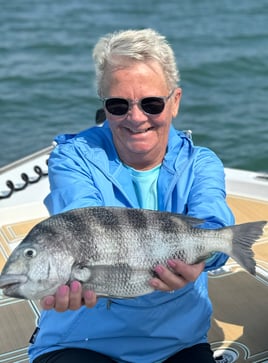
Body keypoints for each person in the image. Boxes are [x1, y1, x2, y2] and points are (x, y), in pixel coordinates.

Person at [29, 28, 234, 363]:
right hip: (81, 337)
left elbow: (214, 221)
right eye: (118, 105)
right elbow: (81, 221)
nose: (136, 117)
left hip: (177, 339)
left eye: (152, 103)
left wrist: (203, 258)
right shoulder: (72, 156)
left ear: (175, 102)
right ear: (104, 106)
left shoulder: (200, 163)